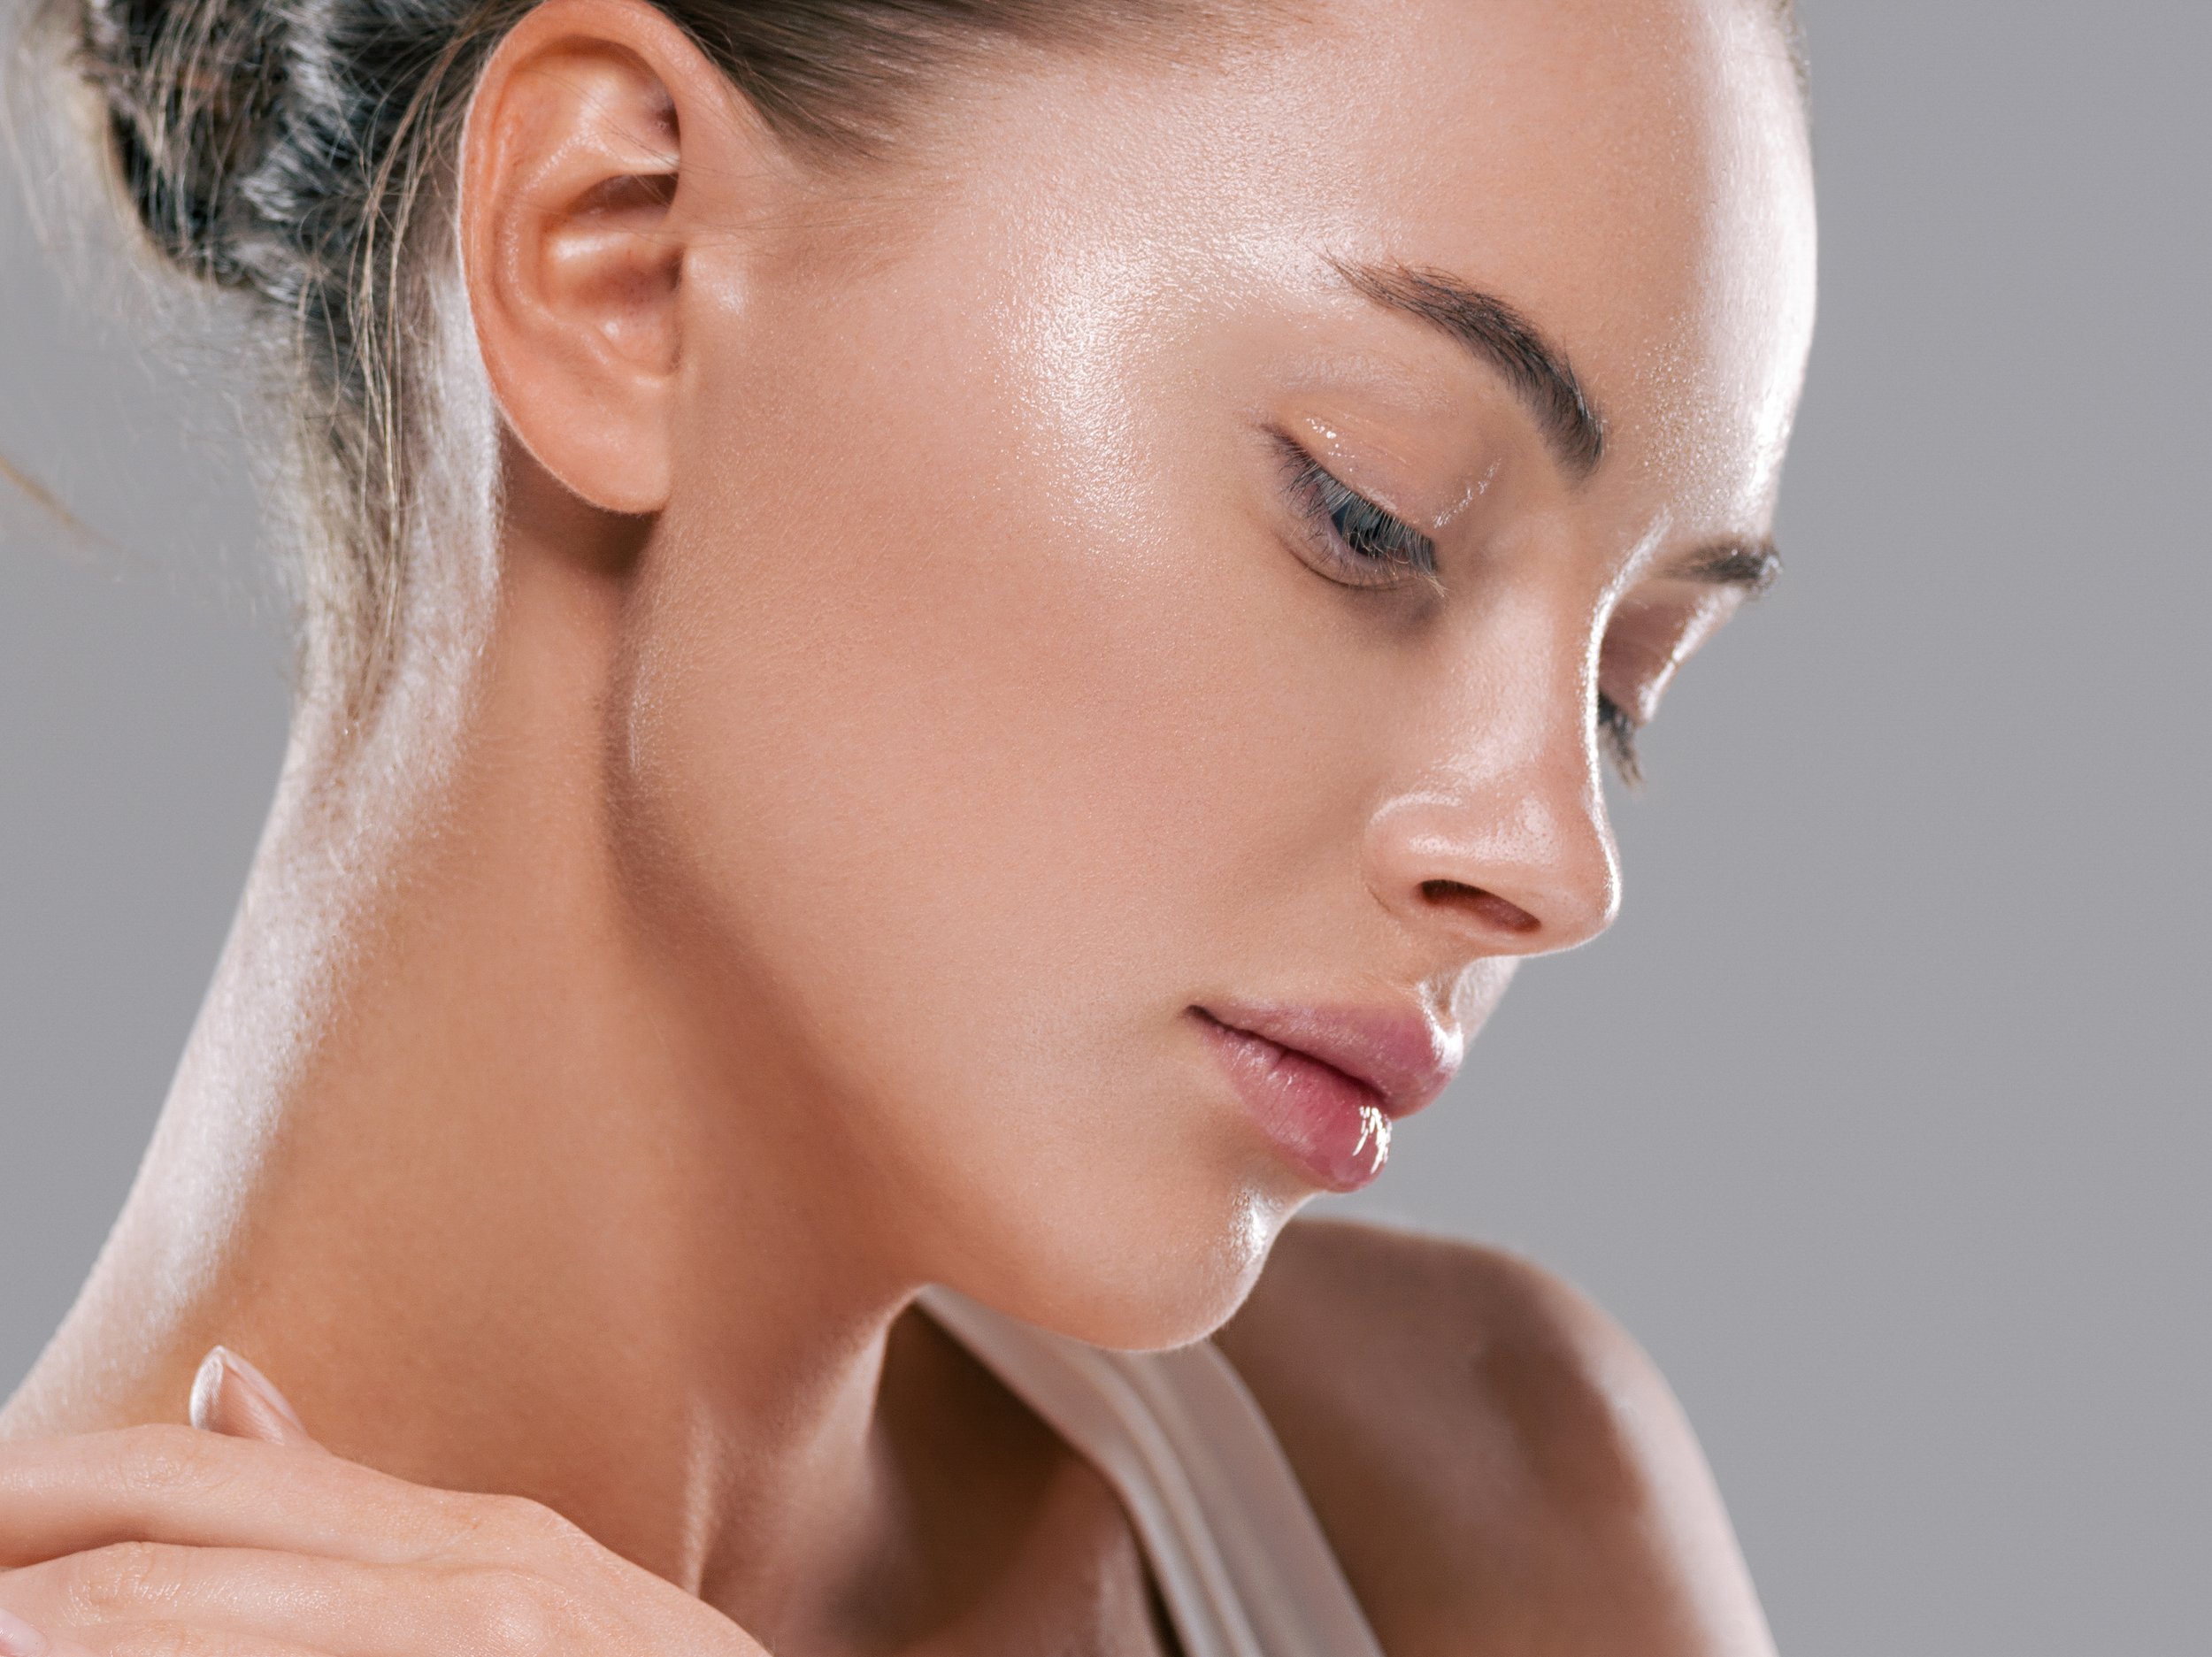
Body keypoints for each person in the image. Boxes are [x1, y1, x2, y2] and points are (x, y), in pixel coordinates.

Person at [0, 0, 1816, 1649]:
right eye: (1370, 515)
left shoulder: (1474, 1508)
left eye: (1620, 684)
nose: (1554, 860)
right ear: (618, 255)